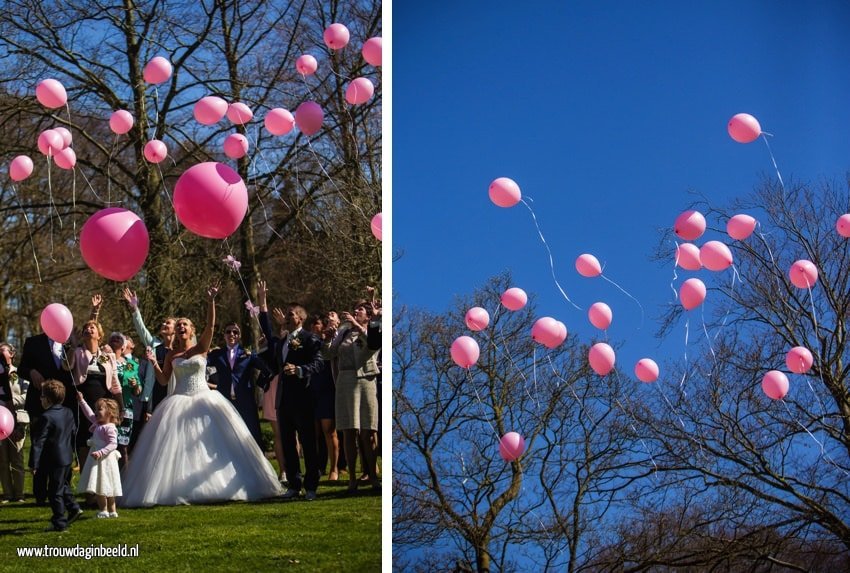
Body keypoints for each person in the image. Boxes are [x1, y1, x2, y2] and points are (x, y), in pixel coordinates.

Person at [121, 283, 282, 507]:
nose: (181, 327)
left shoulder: (201, 348)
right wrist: (154, 364)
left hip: (205, 398)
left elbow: (211, 324)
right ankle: (177, 487)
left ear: (192, 330)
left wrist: (211, 301)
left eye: (185, 324)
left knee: (212, 443)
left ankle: (224, 484)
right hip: (178, 400)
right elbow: (164, 380)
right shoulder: (171, 354)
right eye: (179, 325)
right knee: (176, 448)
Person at [257, 280, 324, 501]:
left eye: (291, 313)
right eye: (287, 313)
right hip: (284, 399)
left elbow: (318, 363)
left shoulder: (309, 339)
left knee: (307, 443)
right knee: (288, 442)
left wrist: (300, 369)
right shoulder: (283, 341)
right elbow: (266, 331)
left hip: (303, 398)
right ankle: (294, 485)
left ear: (301, 318)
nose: (287, 316)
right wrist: (262, 303)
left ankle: (311, 486)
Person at [324, 298, 382, 493]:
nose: (356, 312)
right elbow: (328, 354)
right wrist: (328, 339)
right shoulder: (343, 332)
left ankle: (373, 476)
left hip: (366, 380)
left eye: (360, 310)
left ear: (368, 315)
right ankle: (352, 479)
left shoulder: (373, 329)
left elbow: (373, 345)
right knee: (349, 431)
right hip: (345, 381)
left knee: (368, 431)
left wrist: (358, 325)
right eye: (355, 309)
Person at [66, 320, 122, 465]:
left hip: (104, 404)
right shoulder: (78, 352)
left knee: (104, 439)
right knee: (84, 440)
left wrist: (121, 406)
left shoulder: (108, 355)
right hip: (83, 401)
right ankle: (86, 475)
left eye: (92, 327)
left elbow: (115, 382)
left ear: (99, 335)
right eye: (86, 327)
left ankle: (102, 474)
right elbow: (67, 367)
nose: (88, 329)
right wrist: (72, 346)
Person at [30, 380, 83, 532]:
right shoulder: (68, 412)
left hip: (53, 459)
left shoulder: (46, 417)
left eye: (41, 396)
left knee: (55, 491)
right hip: (66, 456)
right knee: (62, 485)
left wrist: (34, 463)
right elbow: (72, 432)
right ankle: (74, 507)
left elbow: (38, 442)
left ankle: (59, 522)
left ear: (47, 399)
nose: (40, 399)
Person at [207, 322, 272, 447]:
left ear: (239, 336)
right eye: (228, 332)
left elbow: (266, 369)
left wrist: (261, 349)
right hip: (224, 401)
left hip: (245, 401)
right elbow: (200, 364)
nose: (232, 334)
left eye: (235, 332)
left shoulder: (247, 354)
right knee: (225, 436)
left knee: (252, 435)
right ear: (224, 335)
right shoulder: (217, 354)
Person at [76, 393, 122, 518]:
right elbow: (89, 414)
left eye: (99, 409)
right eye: (96, 409)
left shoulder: (109, 428)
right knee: (102, 484)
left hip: (104, 460)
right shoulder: (98, 424)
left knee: (103, 485)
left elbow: (113, 444)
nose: (96, 412)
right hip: (98, 459)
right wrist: (82, 401)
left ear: (110, 413)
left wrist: (101, 452)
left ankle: (107, 510)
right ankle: (109, 511)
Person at [309, 313, 339, 482]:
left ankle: (334, 468)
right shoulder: (308, 344)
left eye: (318, 323)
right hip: (311, 390)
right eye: (312, 324)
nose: (315, 326)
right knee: (314, 433)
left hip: (327, 389)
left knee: (329, 431)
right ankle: (317, 467)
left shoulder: (329, 343)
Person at [0, 343, 27, 503]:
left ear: (12, 354)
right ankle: (7, 494)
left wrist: (8, 399)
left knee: (17, 458)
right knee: (2, 459)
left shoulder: (20, 372)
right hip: (0, 421)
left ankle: (19, 494)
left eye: (2, 350)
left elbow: (26, 395)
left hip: (17, 419)